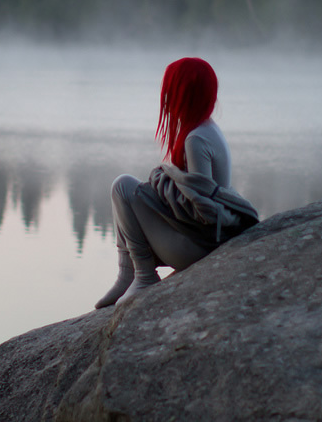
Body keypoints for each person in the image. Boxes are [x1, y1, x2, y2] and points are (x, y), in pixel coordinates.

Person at [95, 57, 259, 309]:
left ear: (185, 95)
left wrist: (162, 181)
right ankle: (127, 273)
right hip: (200, 240)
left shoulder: (196, 139)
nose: (166, 100)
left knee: (123, 187)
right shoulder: (207, 129)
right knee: (130, 191)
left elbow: (200, 209)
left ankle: (144, 276)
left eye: (170, 92)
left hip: (198, 246)